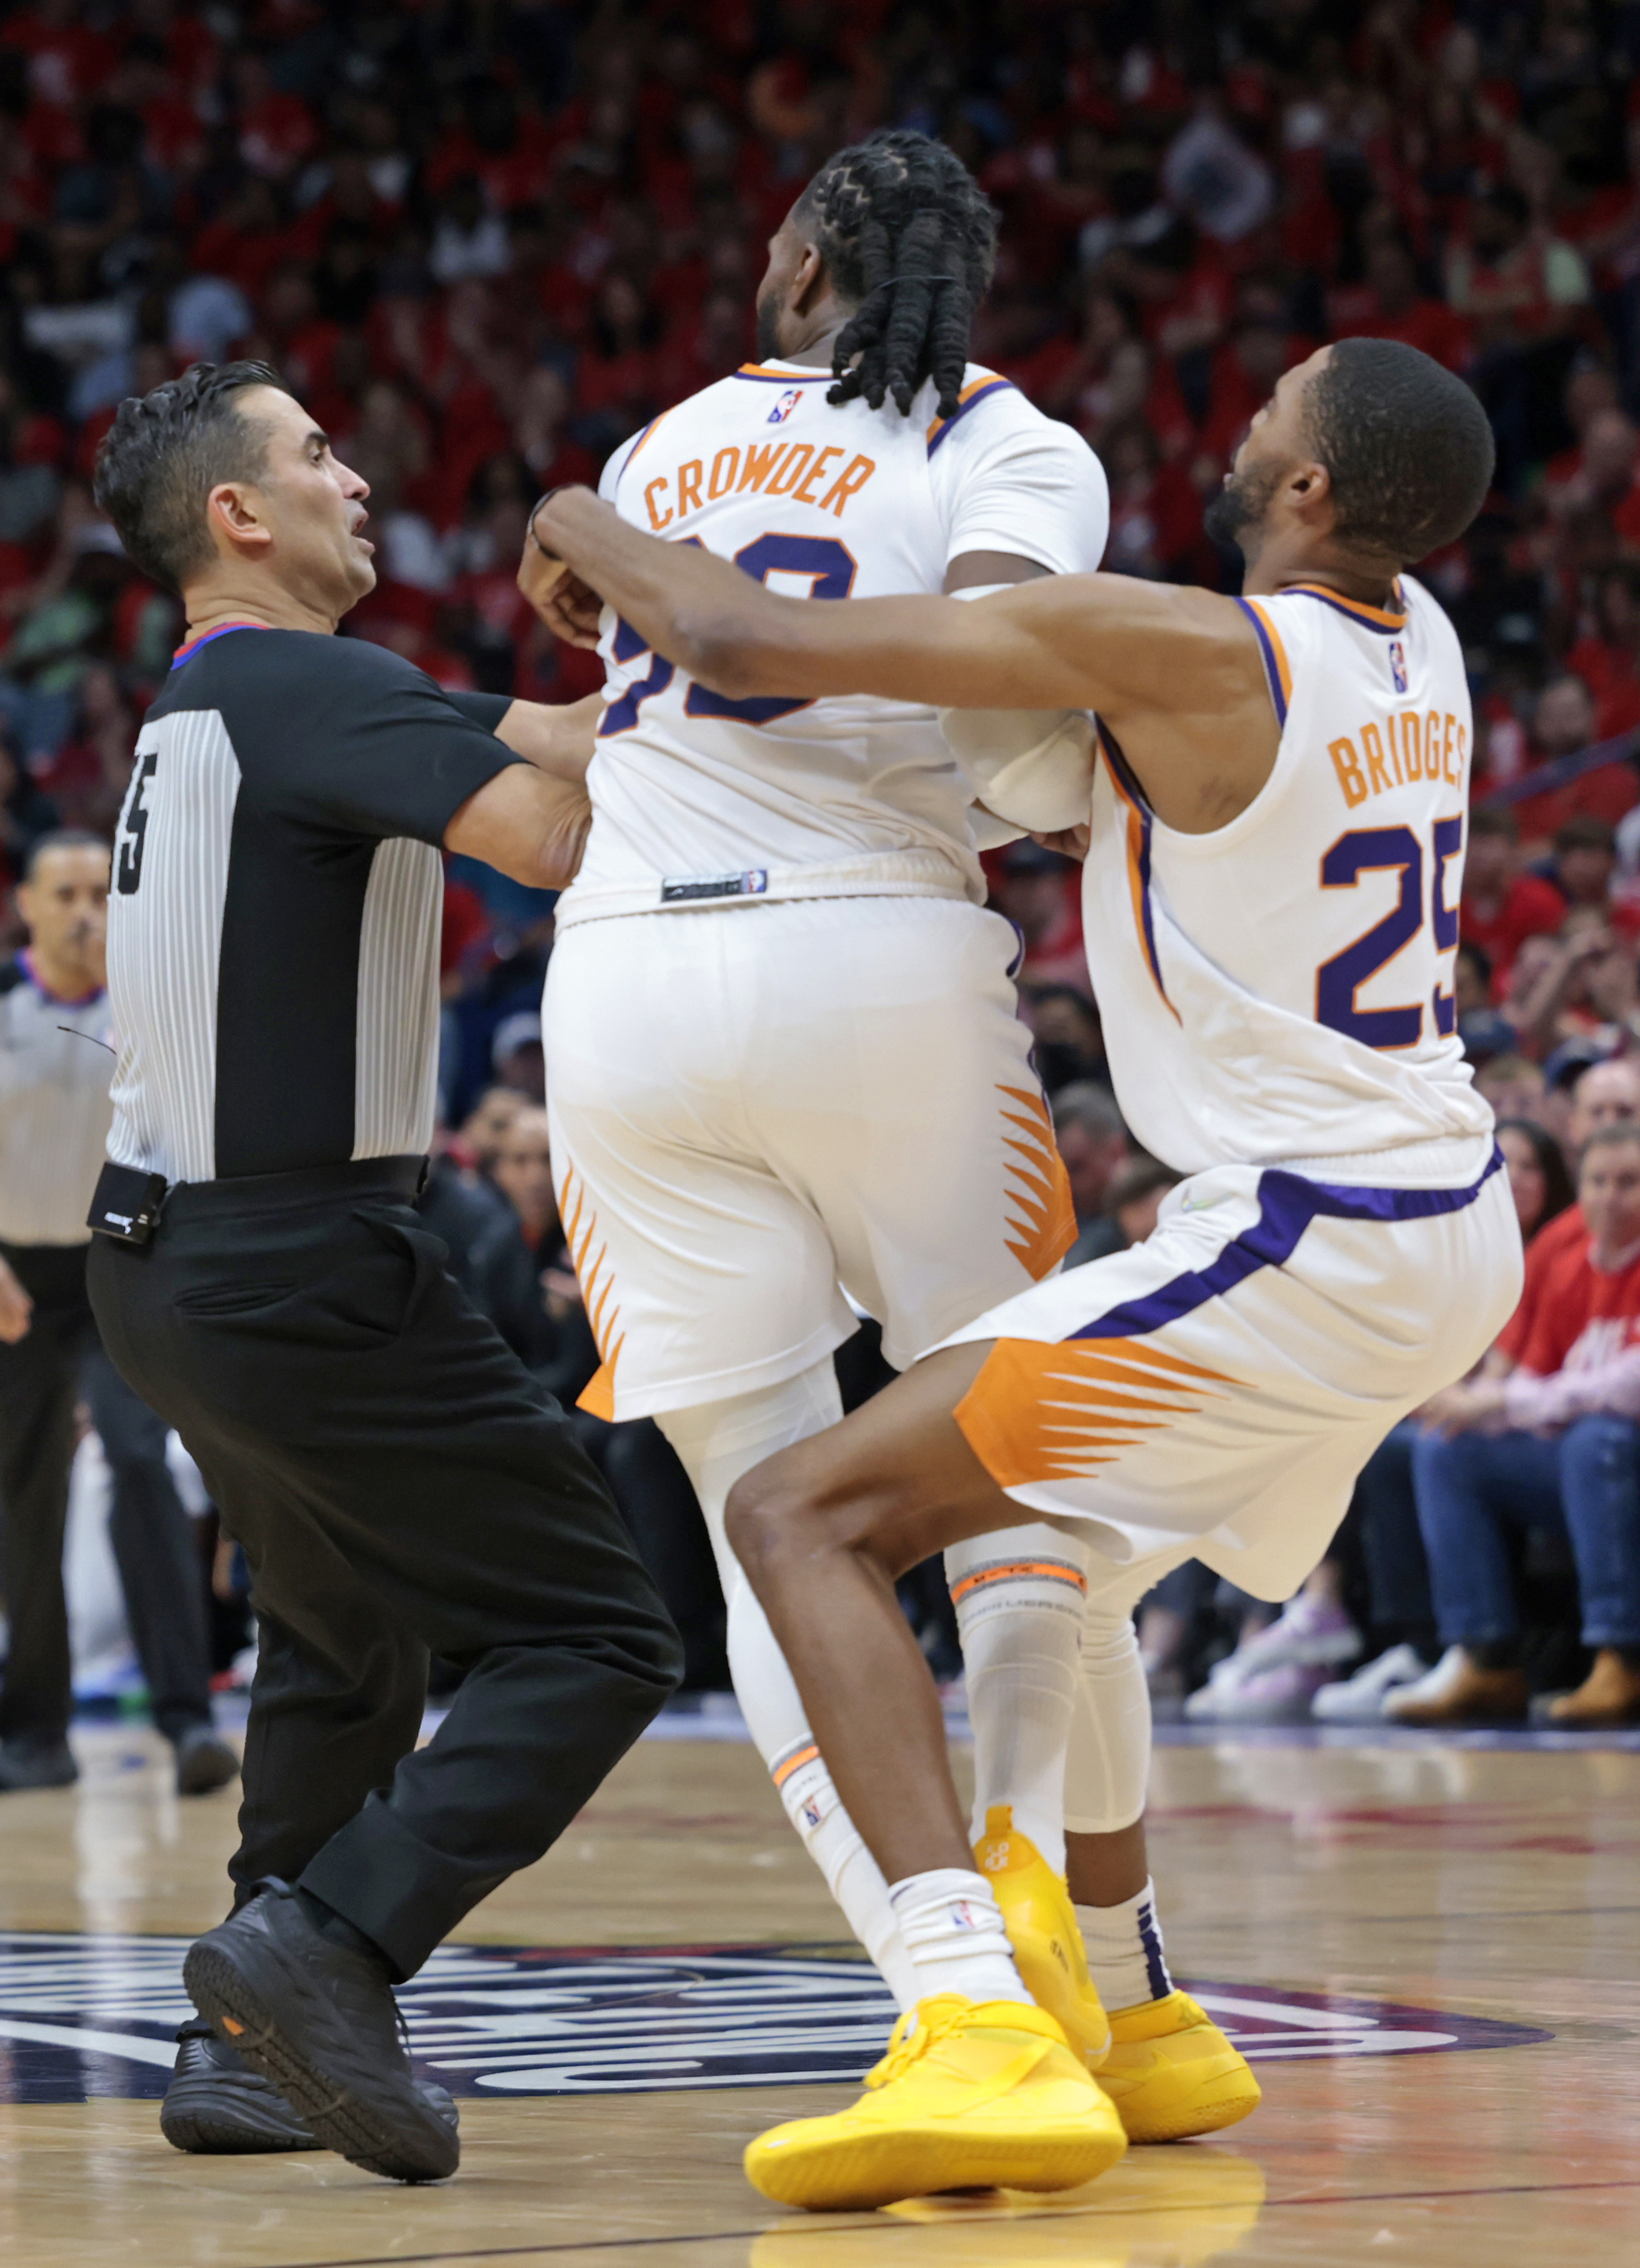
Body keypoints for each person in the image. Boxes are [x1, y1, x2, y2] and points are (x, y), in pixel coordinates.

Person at [526, 335, 1515, 2207]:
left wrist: (585, 514)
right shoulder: (1419, 640)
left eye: (1267, 414)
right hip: (1438, 1216)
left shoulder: (1201, 649)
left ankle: (977, 2021)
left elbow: (755, 648)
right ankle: (1136, 2008)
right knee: (1067, 1562)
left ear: (1311, 490)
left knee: (806, 1511)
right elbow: (1122, 785)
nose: (1235, 428)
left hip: (1309, 1234)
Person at [526, 129, 1166, 2105]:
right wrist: (1048, 794)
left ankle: (951, 1991)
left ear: (800, 253)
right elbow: (997, 719)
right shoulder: (1014, 445)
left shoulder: (656, 452)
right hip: (884, 961)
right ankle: (1064, 1916)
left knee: (768, 1524)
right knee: (1015, 1459)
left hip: (623, 975)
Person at [83, 361, 679, 2182]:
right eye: (317, 455)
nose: (357, 478)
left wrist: (708, 683)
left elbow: (558, 737)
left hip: (160, 1263)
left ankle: (245, 2048)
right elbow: (556, 833)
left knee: (346, 1633)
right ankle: (326, 1947)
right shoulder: (312, 684)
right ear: (239, 518)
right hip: (300, 1252)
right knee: (602, 1626)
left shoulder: (222, 699)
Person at [0, 828, 234, 1797]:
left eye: (97, 894)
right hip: (10, 1274)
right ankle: (34, 1732)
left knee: (134, 1460)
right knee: (24, 1490)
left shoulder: (150, 1001)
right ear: (24, 905)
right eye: (62, 893)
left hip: (119, 1266)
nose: (83, 912)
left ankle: (188, 1717)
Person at [1390, 1121, 1640, 1726]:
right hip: (1581, 1457)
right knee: (1449, 1448)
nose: (1609, 1196)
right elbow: (1530, 1376)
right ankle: (1488, 1658)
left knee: (1595, 1439)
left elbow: (1628, 1388)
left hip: (1616, 1449)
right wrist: (1474, 1404)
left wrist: (1501, 1406)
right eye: (1598, 1181)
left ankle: (1621, 1656)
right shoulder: (1566, 1264)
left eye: (1629, 1182)